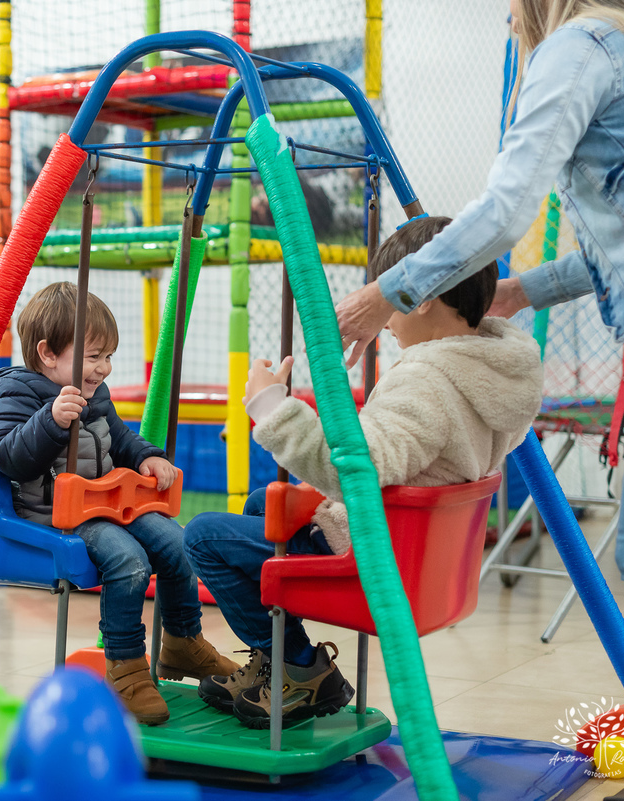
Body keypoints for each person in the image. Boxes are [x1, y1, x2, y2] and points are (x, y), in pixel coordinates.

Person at [333, 2, 624, 796]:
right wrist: (519, 290)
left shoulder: (580, 45)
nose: (507, 17)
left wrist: (386, 291)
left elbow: (505, 211)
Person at [184, 217, 544, 729]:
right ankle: (276, 664)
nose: (384, 317)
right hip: (420, 554)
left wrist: (271, 408)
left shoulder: (427, 382)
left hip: (372, 558)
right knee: (265, 503)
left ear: (420, 296)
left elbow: (357, 470)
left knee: (202, 536)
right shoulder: (486, 373)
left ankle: (299, 668)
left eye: (387, 297)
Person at [0, 282, 237, 725]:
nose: (104, 368)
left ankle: (182, 643)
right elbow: (6, 456)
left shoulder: (95, 393)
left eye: (108, 356)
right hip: (53, 516)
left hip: (105, 504)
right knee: (129, 561)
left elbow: (119, 437)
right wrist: (50, 421)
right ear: (47, 353)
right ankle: (125, 665)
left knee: (181, 545)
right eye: (95, 356)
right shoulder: (12, 392)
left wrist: (147, 456)